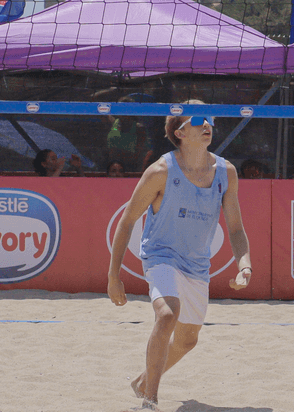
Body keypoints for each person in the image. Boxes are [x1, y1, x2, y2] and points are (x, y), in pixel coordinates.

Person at [107, 103, 252, 409]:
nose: (207, 124)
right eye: (199, 120)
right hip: (161, 256)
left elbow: (236, 228)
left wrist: (245, 264)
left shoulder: (226, 172)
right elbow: (127, 220)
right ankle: (151, 400)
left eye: (210, 119)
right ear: (180, 132)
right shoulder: (161, 171)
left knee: (188, 340)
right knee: (167, 314)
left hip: (197, 265)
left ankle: (143, 380)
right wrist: (113, 276)